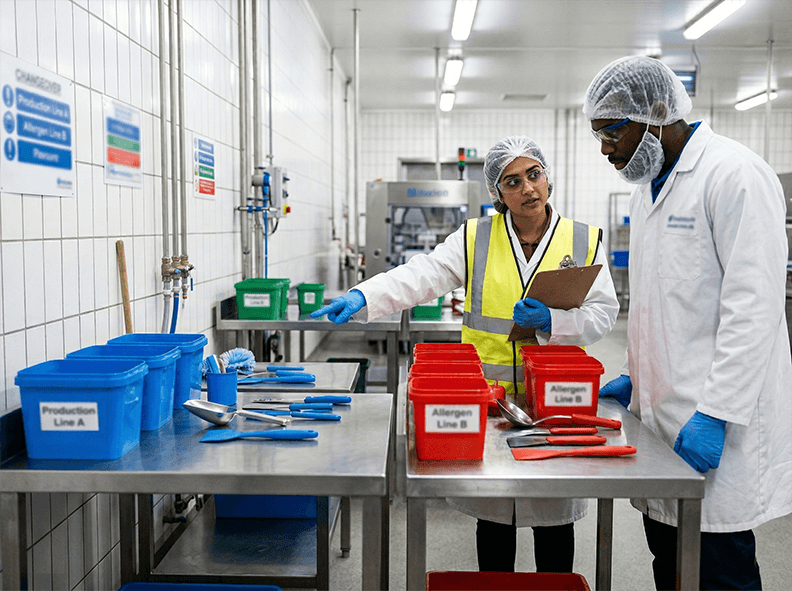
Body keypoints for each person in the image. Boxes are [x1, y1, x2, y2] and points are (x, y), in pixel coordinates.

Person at [312, 136, 619, 573]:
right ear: (497, 193)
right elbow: (424, 274)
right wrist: (364, 295)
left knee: (554, 528)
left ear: (548, 177)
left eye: (534, 174)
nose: (528, 188)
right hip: (487, 404)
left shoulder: (584, 239)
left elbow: (605, 312)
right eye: (512, 182)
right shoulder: (476, 236)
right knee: (494, 523)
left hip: (555, 406)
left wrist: (554, 322)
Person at [585, 55, 792, 591]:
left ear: (655, 113)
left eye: (611, 132)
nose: (605, 148)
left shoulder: (735, 174)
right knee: (670, 563)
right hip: (661, 419)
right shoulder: (647, 187)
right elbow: (659, 300)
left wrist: (718, 414)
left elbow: (754, 308)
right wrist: (636, 372)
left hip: (713, 421)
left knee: (720, 568)